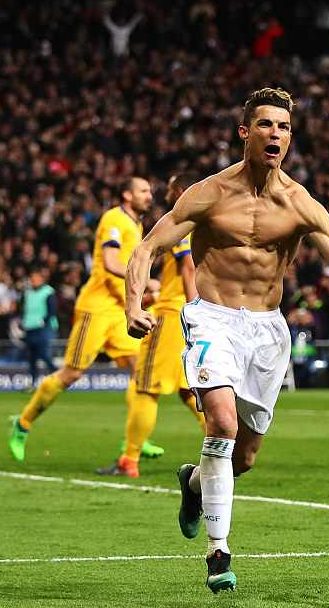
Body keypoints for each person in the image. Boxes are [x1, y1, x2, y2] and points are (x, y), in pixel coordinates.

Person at [124, 87, 329, 594]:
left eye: (282, 127)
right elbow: (148, 247)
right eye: (264, 125)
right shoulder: (209, 193)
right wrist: (134, 306)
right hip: (211, 317)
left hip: (267, 330)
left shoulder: (299, 203)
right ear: (245, 132)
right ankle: (219, 553)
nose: (274, 134)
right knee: (221, 421)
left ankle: (194, 483)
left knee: (246, 457)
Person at [8, 177, 153, 462]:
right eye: (143, 191)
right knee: (71, 374)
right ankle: (22, 424)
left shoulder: (136, 225)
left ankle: (135, 440)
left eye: (150, 191)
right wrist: (146, 282)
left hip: (118, 309)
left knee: (141, 372)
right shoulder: (114, 218)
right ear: (127, 194)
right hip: (96, 309)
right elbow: (111, 263)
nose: (150, 195)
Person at [96, 173, 207, 478]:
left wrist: (193, 310)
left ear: (182, 191)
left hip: (173, 316)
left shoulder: (184, 223)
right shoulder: (211, 226)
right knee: (190, 392)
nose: (165, 195)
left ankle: (128, 461)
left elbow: (187, 267)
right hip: (194, 316)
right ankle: (228, 451)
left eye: (170, 188)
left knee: (145, 388)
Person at [19, 269, 58, 387]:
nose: (33, 281)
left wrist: (44, 321)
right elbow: (24, 309)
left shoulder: (48, 292)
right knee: (31, 357)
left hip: (43, 328)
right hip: (29, 328)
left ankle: (59, 377)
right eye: (32, 279)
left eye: (35, 278)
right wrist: (23, 322)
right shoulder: (27, 293)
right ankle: (32, 383)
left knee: (44, 354)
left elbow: (52, 310)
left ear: (41, 279)